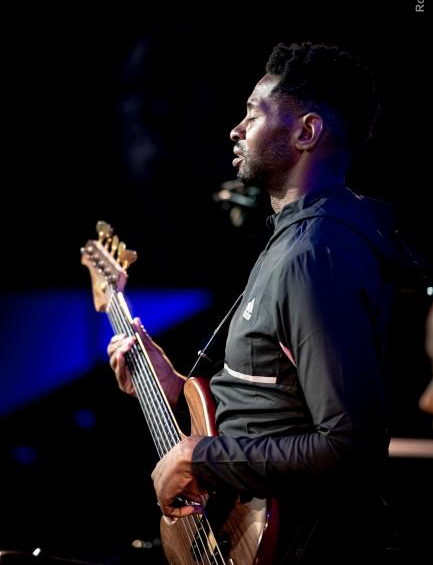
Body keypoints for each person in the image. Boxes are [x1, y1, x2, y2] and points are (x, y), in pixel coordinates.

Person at [108, 41, 412, 563]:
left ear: (306, 133)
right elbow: (275, 408)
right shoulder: (294, 241)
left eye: (253, 113)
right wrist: (175, 390)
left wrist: (203, 458)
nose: (236, 129)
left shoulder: (315, 255)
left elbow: (350, 447)